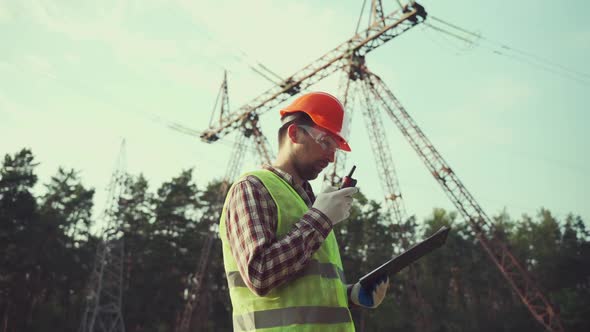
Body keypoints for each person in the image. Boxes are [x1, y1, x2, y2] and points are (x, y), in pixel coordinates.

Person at [219, 91, 389, 331]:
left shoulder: (310, 206)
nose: (331, 157)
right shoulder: (252, 188)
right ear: (295, 133)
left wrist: (350, 296)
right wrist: (321, 219)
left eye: (336, 148)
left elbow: (304, 296)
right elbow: (260, 274)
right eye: (326, 142)